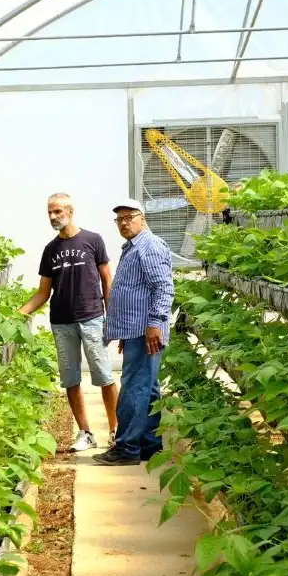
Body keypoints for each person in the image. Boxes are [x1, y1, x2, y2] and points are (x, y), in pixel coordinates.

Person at [19, 193, 118, 452]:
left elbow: (107, 280)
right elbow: (43, 292)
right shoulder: (50, 250)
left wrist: (113, 317)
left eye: (58, 211)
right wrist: (18, 315)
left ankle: (116, 429)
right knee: (70, 379)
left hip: (93, 318)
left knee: (104, 375)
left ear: (70, 211)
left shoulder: (93, 240)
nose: (53, 217)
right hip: (62, 323)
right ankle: (86, 433)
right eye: (49, 213)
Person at [92, 198, 175, 466]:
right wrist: (126, 333)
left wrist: (154, 324)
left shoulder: (149, 246)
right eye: (120, 219)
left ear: (143, 218)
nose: (124, 223)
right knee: (147, 388)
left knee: (133, 388)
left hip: (146, 331)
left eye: (130, 217)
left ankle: (126, 448)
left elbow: (163, 288)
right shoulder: (133, 247)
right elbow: (134, 292)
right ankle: (149, 446)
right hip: (138, 330)